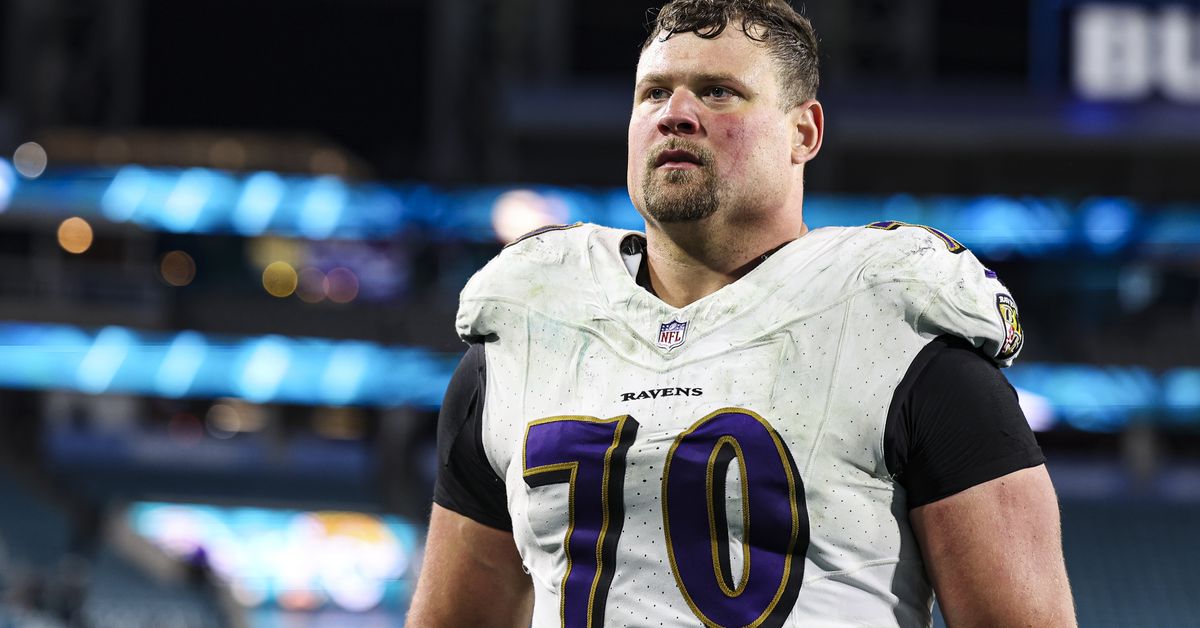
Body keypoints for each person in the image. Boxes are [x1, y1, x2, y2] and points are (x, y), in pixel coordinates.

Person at [410, 0, 1076, 626]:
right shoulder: (529, 331)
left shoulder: (901, 333)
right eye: (654, 93)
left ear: (803, 132)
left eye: (717, 92)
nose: (675, 113)